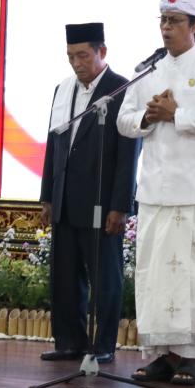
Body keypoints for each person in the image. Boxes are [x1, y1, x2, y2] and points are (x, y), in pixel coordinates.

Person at [116, 0, 195, 385]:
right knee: (155, 276)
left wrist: (177, 114)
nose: (167, 28)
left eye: (175, 21)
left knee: (194, 275)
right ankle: (162, 355)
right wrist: (149, 117)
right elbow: (123, 120)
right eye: (163, 21)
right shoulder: (148, 71)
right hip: (155, 188)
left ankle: (192, 356)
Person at [39, 22, 140, 364]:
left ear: (102, 52)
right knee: (65, 277)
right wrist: (47, 196)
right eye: (71, 56)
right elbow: (54, 145)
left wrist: (120, 205)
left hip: (102, 202)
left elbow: (129, 154)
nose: (76, 63)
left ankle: (103, 345)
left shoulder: (121, 89)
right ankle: (70, 341)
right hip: (65, 198)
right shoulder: (63, 89)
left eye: (83, 55)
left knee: (105, 278)